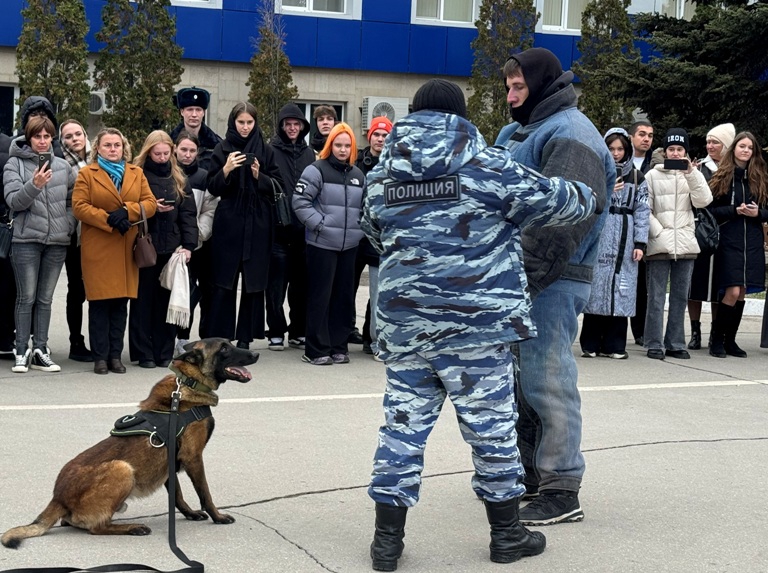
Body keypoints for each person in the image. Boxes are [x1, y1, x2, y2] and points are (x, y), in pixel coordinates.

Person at [362, 79, 597, 571]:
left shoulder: (384, 172)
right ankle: (507, 537)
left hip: (408, 327)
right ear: (459, 115)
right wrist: (584, 186)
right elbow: (566, 202)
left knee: (401, 431)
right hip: (478, 328)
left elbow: (372, 228)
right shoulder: (488, 165)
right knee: (491, 431)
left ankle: (387, 544)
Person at [495, 47, 612, 525]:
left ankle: (562, 486)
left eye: (518, 87)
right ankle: (530, 472)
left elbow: (564, 223)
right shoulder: (514, 132)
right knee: (522, 382)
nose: (510, 96)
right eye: (507, 87)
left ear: (542, 84)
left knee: (548, 379)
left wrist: (520, 280)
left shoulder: (572, 134)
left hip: (553, 277)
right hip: (512, 273)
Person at [72, 128, 157, 375]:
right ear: (98, 148)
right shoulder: (87, 173)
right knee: (99, 304)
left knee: (120, 305)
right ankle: (100, 357)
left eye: (116, 145)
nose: (112, 149)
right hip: (99, 246)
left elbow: (150, 204)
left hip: (126, 248)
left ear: (124, 148)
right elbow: (79, 207)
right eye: (107, 145)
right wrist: (108, 218)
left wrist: (128, 211)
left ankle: (115, 356)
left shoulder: (136, 173)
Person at [206, 102, 283, 347]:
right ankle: (222, 337)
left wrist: (259, 175)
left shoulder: (266, 149)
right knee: (224, 281)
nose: (245, 127)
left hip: (258, 223)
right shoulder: (222, 147)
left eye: (250, 122)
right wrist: (227, 169)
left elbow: (277, 186)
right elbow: (212, 186)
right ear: (233, 122)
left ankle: (246, 338)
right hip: (229, 224)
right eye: (241, 122)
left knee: (253, 282)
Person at [3, 115, 76, 373]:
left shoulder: (64, 167)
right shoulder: (14, 164)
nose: (43, 142)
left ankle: (41, 349)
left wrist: (68, 225)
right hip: (25, 241)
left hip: (56, 242)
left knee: (45, 299)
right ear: (29, 137)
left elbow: (71, 202)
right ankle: (21, 349)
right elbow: (13, 201)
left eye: (47, 137)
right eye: (38, 136)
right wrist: (34, 185)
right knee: (27, 297)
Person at [292, 122, 365, 366]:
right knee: (320, 297)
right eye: (338, 144)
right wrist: (320, 225)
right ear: (329, 144)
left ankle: (338, 346)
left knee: (343, 298)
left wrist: (359, 229)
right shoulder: (316, 170)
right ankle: (316, 349)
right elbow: (300, 202)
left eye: (347, 145)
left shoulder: (357, 175)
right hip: (321, 245)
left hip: (349, 247)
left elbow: (364, 208)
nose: (342, 149)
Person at [129, 131, 198, 368]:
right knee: (142, 302)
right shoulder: (137, 175)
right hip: (146, 247)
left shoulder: (179, 177)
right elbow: (129, 207)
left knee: (167, 302)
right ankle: (143, 352)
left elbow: (189, 215)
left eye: (166, 153)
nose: (161, 158)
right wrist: (150, 208)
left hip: (172, 249)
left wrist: (189, 246)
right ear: (148, 152)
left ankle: (164, 351)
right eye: (157, 153)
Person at [580, 128, 649, 359]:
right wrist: (607, 190)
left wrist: (640, 243)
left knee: (623, 289)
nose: (616, 154)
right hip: (601, 233)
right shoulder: (595, 172)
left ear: (627, 150)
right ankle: (590, 343)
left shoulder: (638, 178)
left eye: (620, 149)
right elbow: (588, 203)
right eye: (611, 149)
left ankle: (615, 344)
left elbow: (643, 211)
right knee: (597, 287)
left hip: (626, 237)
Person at [643, 128, 712, 360]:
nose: (675, 153)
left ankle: (675, 342)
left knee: (680, 297)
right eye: (671, 149)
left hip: (685, 243)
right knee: (656, 296)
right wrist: (659, 232)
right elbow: (645, 209)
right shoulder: (652, 175)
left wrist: (691, 173)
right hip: (659, 243)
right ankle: (653, 342)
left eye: (679, 149)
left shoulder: (693, 174)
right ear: (665, 151)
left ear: (685, 151)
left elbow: (704, 200)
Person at [706, 131, 768, 358]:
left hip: (751, 239)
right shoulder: (722, 175)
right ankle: (716, 339)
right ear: (734, 149)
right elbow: (709, 210)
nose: (746, 151)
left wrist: (757, 213)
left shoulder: (760, 177)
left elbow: (767, 211)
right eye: (742, 146)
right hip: (729, 239)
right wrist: (735, 210)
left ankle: (730, 340)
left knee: (742, 291)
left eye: (750, 147)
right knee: (731, 290)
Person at [265, 103, 315, 352]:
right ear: (282, 126)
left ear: (303, 127)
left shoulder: (309, 154)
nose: (293, 128)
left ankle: (298, 331)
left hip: (303, 231)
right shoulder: (271, 150)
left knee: (301, 287)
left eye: (297, 124)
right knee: (275, 288)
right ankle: (275, 331)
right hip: (278, 230)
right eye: (288, 124)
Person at [688, 123, 735, 350]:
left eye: (715, 142)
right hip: (700, 231)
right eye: (708, 141)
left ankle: (716, 330)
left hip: (725, 233)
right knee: (695, 284)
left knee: (719, 285)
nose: (710, 146)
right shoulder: (700, 168)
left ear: (726, 145)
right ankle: (695, 330)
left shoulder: (733, 169)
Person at [173, 131, 219, 350]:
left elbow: (209, 210)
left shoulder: (204, 176)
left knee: (199, 293)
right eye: (183, 149)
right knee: (179, 294)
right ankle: (176, 336)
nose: (188, 154)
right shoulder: (168, 174)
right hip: (173, 246)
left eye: (192, 150)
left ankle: (195, 338)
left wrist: (195, 236)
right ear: (175, 149)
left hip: (200, 245)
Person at [354, 116, 392, 360]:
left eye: (385, 135)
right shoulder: (355, 162)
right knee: (346, 291)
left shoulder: (394, 165)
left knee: (377, 296)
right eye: (376, 135)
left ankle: (372, 339)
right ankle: (345, 332)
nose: (380, 139)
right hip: (355, 238)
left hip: (379, 241)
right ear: (369, 137)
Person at [59, 119, 93, 362]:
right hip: (73, 232)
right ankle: (76, 341)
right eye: (68, 136)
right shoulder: (61, 163)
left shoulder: (99, 157)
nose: (74, 139)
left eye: (78, 133)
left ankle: (101, 341)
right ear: (62, 141)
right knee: (77, 289)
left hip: (99, 231)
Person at [628, 120, 655, 346]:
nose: (646, 139)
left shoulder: (656, 165)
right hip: (620, 230)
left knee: (643, 286)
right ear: (631, 137)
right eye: (642, 134)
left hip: (646, 230)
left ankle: (640, 331)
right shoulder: (619, 162)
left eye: (650, 135)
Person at [169, 87, 222, 171]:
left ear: (204, 113)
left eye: (198, 110)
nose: (194, 114)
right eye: (190, 109)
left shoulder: (216, 145)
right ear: (182, 112)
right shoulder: (169, 142)